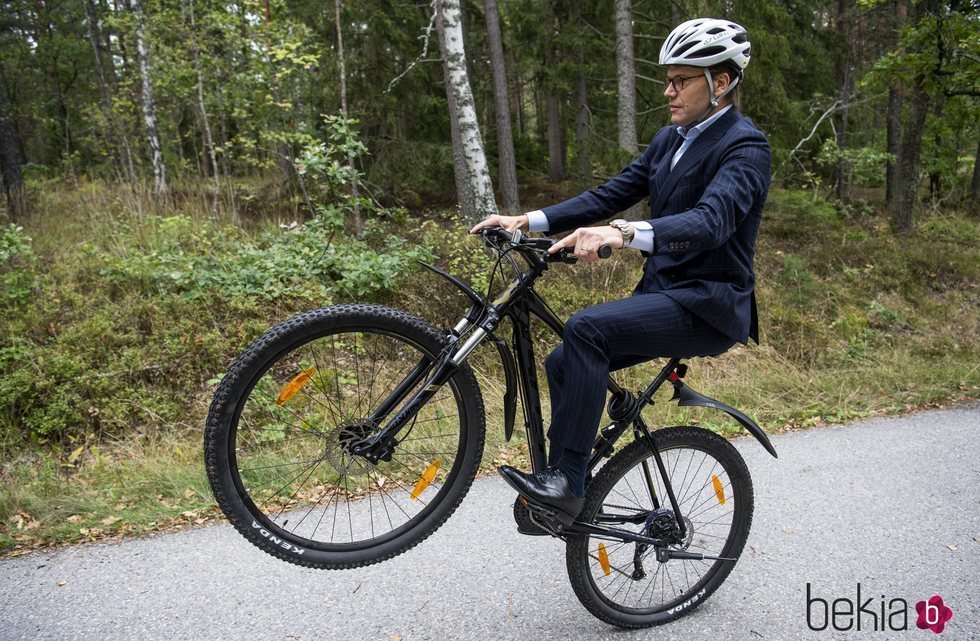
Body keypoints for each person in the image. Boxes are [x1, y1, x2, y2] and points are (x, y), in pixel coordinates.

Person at [470, 18, 772, 522]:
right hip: (666, 294)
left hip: (709, 304)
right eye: (668, 80)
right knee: (564, 360)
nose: (669, 91)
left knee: (586, 329)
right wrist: (528, 219)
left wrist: (624, 234)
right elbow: (611, 193)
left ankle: (565, 481)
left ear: (720, 83)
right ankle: (569, 483)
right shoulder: (670, 139)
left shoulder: (745, 146)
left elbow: (711, 222)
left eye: (682, 80)